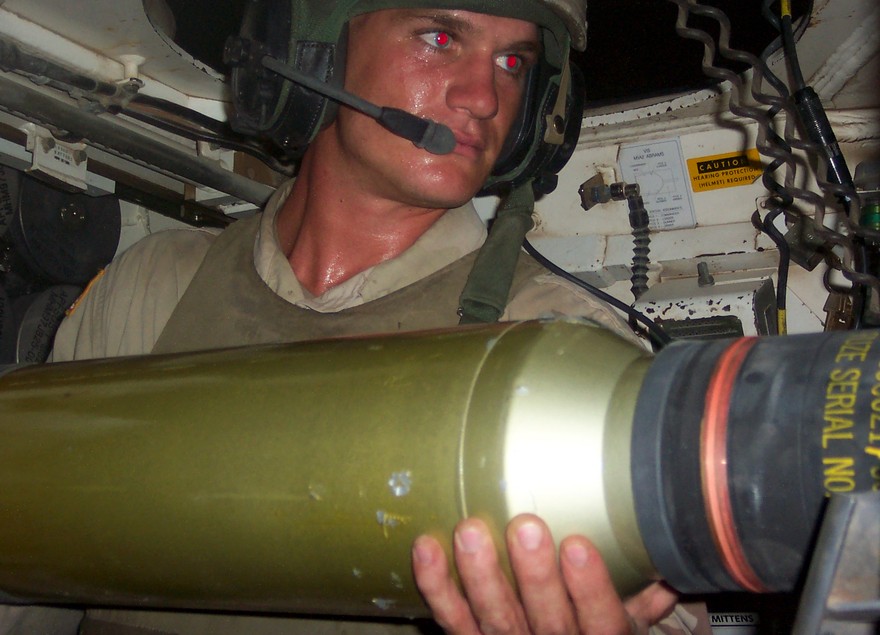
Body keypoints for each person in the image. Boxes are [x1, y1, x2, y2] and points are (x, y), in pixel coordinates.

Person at [31, 0, 703, 633]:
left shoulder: (561, 354)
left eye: (512, 63)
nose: (485, 98)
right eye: (440, 38)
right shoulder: (155, 285)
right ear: (315, 49)